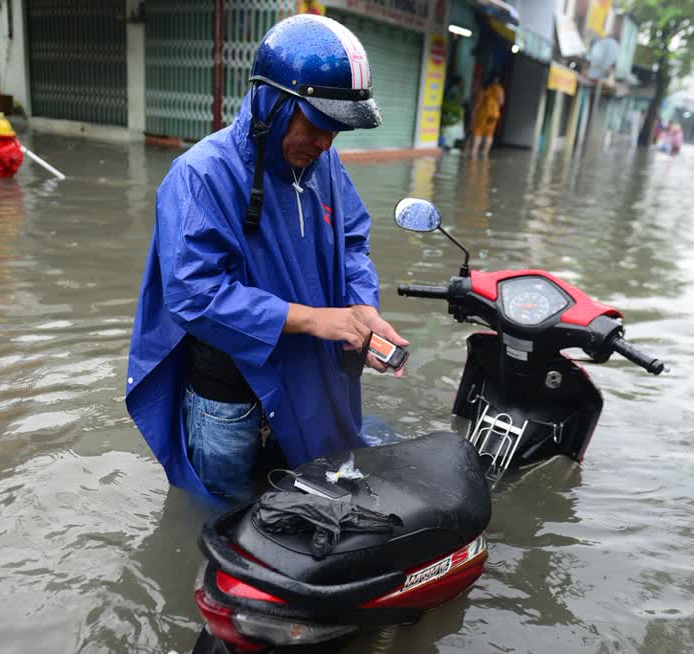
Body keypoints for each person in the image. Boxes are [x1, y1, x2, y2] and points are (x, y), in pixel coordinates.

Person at [125, 15, 408, 503]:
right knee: (221, 520)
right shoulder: (200, 175)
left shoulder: (324, 165)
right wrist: (316, 320)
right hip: (227, 398)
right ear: (273, 103)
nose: (326, 143)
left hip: (305, 377)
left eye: (337, 132)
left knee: (308, 502)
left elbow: (353, 239)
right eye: (318, 125)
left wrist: (363, 310)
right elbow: (194, 295)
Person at [469, 74, 505, 158]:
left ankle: (474, 152)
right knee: (489, 134)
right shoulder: (500, 89)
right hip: (494, 115)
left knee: (478, 132)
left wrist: (474, 112)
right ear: (497, 80)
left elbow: (478, 102)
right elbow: (501, 102)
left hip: (482, 114)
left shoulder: (485, 88)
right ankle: (485, 153)